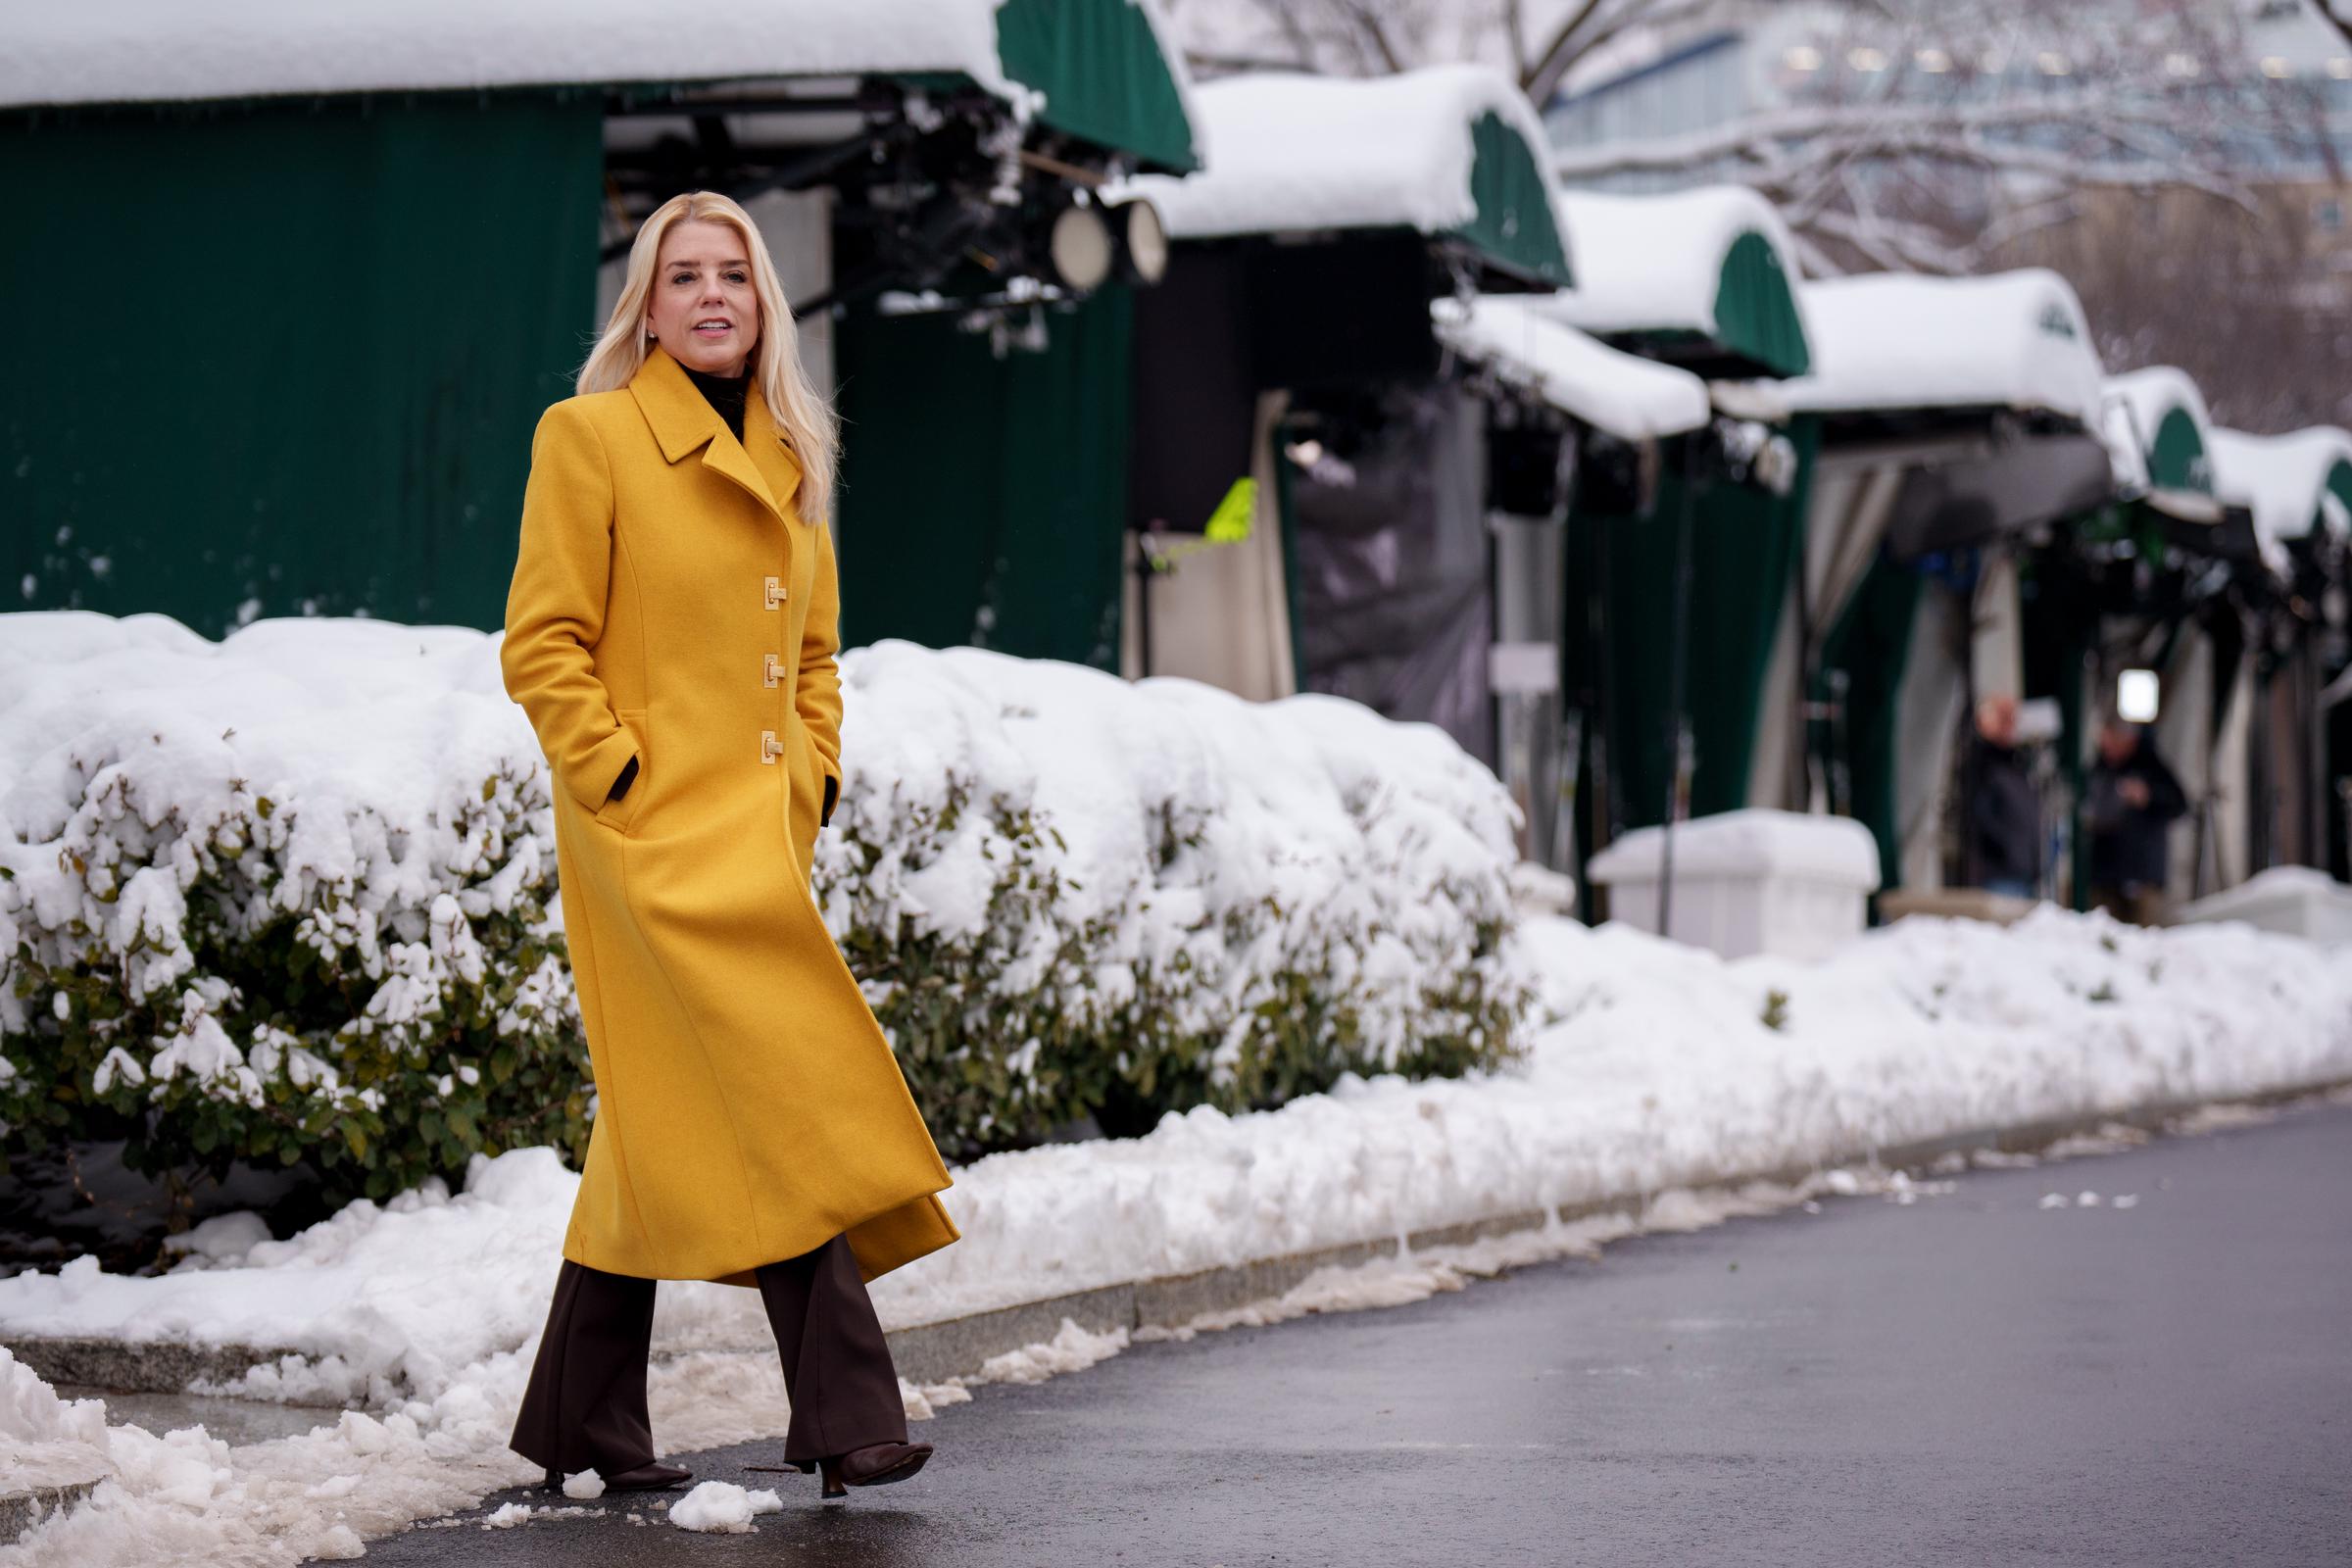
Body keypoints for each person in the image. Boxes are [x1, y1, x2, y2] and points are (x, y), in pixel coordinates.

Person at [499, 191, 958, 1502]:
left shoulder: (795, 456)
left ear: (765, 307)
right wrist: (618, 774)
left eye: (736, 277)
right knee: (778, 1098)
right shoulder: (587, 437)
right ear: (644, 303)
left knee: (670, 1112)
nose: (712, 295)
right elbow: (542, 639)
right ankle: (851, 1411)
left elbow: (815, 660)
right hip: (644, 841)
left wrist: (806, 781)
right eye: (683, 275)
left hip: (754, 841)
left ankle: (582, 1417)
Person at [2084, 719, 2188, 926]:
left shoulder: (2152, 767)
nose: (2107, 745)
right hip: (2105, 876)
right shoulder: (2099, 769)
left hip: (2143, 876)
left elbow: (2181, 805)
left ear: (2129, 740)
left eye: (2113, 738)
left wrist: (2149, 796)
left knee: (2144, 938)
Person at [1965, 693, 2040, 900]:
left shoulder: (2019, 765)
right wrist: (2005, 851)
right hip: (1997, 874)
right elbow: (1980, 816)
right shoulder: (1982, 765)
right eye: (2005, 718)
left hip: (2023, 872)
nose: (2012, 725)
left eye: (2014, 718)